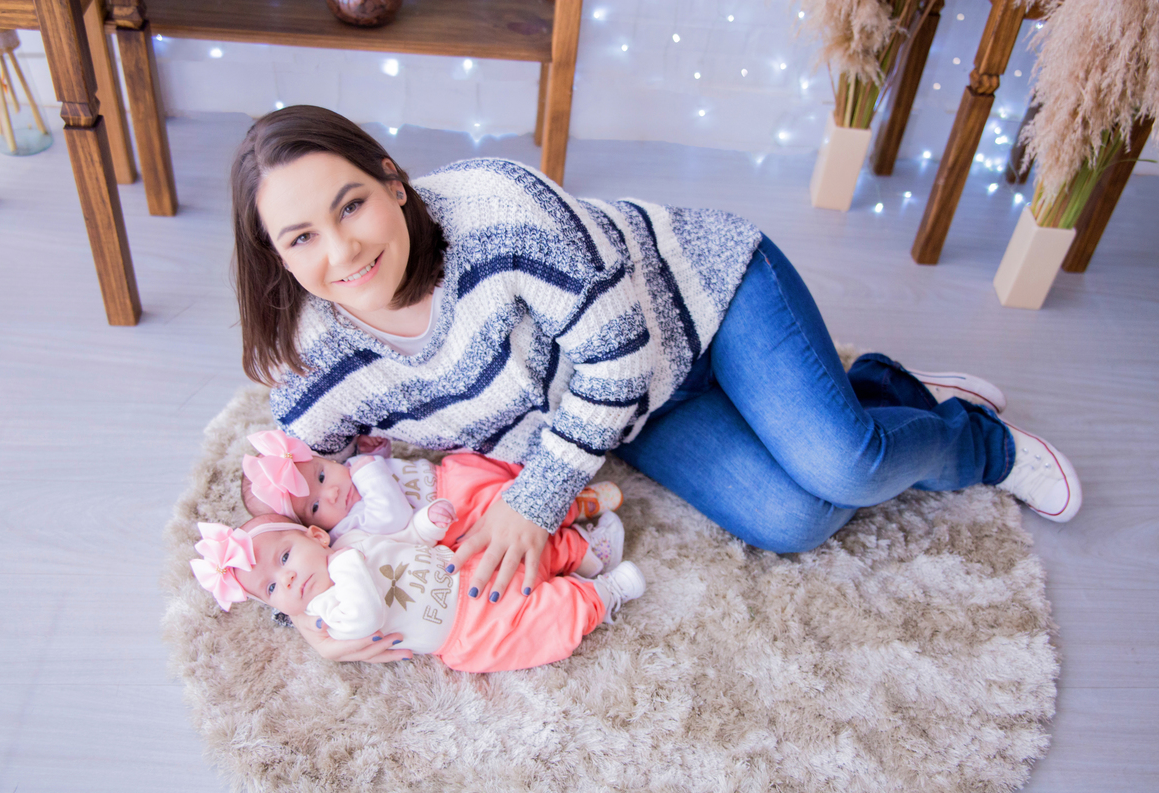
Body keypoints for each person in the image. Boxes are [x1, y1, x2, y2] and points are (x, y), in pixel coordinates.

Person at [230, 105, 1081, 659]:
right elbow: (279, 503)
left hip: (705, 297)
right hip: (634, 411)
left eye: (351, 204)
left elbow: (620, 356)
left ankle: (980, 443)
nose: (343, 251)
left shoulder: (494, 209)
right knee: (797, 520)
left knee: (848, 465)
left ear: (391, 177)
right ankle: (880, 389)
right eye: (301, 238)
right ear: (276, 257)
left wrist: (536, 498)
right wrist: (311, 617)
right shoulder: (319, 355)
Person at [189, 515, 646, 673]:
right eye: (272, 587)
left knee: (515, 550)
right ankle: (601, 594)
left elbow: (402, 540)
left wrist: (425, 524)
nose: (287, 579)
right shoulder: (328, 611)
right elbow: (366, 618)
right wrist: (345, 568)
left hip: (458, 566)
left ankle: (586, 552)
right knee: (543, 625)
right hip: (468, 631)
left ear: (316, 535)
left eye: (285, 557)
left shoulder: (352, 540)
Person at [240, 428, 624, 548]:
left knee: (501, 465)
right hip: (455, 512)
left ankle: (558, 473)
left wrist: (378, 452)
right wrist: (368, 468)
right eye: (314, 507)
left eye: (322, 476)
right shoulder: (348, 530)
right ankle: (577, 509)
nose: (332, 493)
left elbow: (391, 472)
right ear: (314, 530)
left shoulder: (354, 471)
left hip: (449, 475)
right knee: (508, 507)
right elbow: (392, 514)